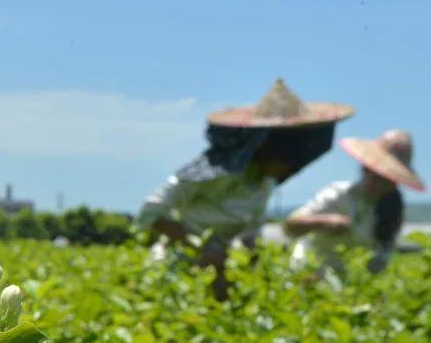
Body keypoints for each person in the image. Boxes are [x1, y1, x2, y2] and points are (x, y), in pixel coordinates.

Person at [137, 79, 353, 299]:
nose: (291, 168)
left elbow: (251, 232)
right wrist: (200, 246)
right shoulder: (215, 172)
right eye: (287, 158)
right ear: (267, 148)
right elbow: (151, 211)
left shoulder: (264, 182)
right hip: (176, 274)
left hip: (221, 278)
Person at [286, 130, 424, 274]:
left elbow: (382, 257)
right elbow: (290, 225)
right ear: (366, 169)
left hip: (346, 285)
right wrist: (324, 221)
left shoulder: (392, 212)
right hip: (308, 272)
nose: (378, 181)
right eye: (376, 173)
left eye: (387, 178)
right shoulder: (339, 193)